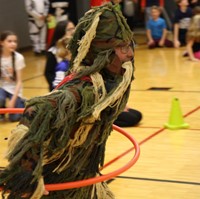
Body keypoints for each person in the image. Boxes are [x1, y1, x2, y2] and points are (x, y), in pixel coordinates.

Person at [0, 3, 134, 198]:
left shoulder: (109, 82)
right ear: (102, 52)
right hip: (55, 183)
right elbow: (35, 110)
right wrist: (27, 177)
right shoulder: (81, 90)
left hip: (81, 177)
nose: (130, 53)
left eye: (130, 45)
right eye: (122, 47)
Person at [0, 31, 26, 122]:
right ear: (1, 42)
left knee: (14, 118)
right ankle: (1, 113)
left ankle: (22, 102)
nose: (13, 44)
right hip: (3, 88)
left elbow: (19, 81)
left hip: (15, 90)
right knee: (0, 98)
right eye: (9, 41)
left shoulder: (19, 58)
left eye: (15, 41)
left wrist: (13, 100)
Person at [44, 20, 75, 91]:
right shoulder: (53, 51)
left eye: (73, 28)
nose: (73, 31)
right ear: (61, 32)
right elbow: (48, 73)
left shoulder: (79, 47)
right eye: (69, 29)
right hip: (61, 88)